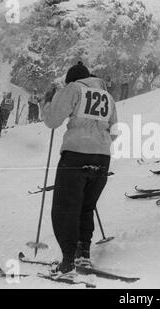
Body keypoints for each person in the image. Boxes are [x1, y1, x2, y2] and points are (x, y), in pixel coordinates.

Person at [39, 61, 118, 277]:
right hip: (102, 158)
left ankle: (67, 260)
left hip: (75, 154)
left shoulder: (73, 89)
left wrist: (47, 102)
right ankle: (83, 251)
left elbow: (53, 121)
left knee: (66, 208)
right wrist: (99, 142)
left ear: (72, 79)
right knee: (85, 206)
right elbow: (115, 130)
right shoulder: (107, 96)